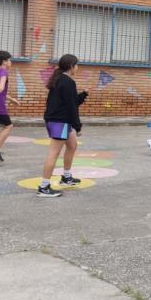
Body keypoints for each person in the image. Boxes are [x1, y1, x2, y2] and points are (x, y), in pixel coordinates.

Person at [39, 54, 88, 198]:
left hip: (58, 120)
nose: (77, 68)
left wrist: (83, 95)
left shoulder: (60, 79)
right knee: (53, 153)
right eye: (77, 65)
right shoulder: (68, 82)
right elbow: (71, 108)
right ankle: (44, 187)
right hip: (59, 121)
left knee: (72, 145)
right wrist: (78, 126)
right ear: (71, 66)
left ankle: (66, 177)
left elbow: (71, 102)